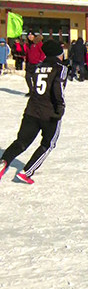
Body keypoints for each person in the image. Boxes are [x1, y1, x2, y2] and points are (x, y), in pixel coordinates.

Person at [0, 40, 67, 184]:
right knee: (48, 143)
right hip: (50, 112)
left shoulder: (38, 67)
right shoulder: (60, 68)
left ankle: (4, 161)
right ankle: (26, 172)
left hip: (32, 109)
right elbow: (58, 89)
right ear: (58, 54)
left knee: (21, 142)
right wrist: (60, 107)